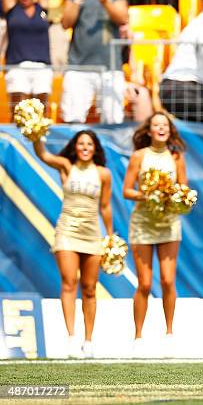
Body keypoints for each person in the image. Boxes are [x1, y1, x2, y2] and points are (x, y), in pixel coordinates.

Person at [33, 130, 113, 358]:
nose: (85, 147)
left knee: (89, 288)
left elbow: (105, 207)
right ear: (75, 147)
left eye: (89, 144)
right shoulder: (67, 166)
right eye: (81, 143)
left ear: (95, 148)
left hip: (92, 233)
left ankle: (88, 341)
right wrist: (35, 132)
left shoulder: (103, 174)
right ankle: (70, 338)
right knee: (69, 282)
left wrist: (109, 236)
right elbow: (43, 155)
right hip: (67, 230)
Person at [123, 112, 187, 358]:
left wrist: (177, 198)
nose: (161, 129)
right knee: (145, 283)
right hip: (143, 223)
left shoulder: (176, 156)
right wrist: (148, 195)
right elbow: (127, 190)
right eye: (156, 125)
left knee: (168, 281)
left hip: (169, 223)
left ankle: (169, 334)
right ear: (148, 131)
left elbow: (184, 189)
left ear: (170, 131)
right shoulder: (139, 156)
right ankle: (138, 337)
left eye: (165, 125)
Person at [60, 0, 128, 124]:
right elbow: (66, 23)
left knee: (113, 119)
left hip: (110, 68)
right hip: (78, 67)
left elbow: (123, 18)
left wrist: (105, 1)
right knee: (73, 118)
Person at [2, 0, 53, 116]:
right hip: (17, 66)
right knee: (19, 112)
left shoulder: (42, 9)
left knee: (41, 113)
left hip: (42, 65)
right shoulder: (12, 10)